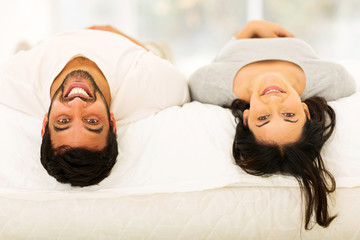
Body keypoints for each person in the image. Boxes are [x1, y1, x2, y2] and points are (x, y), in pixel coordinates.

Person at [188, 20, 356, 229]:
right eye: (288, 114)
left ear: (247, 118)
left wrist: (250, 29)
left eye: (263, 118)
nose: (274, 101)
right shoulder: (335, 80)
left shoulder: (206, 85)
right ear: (305, 111)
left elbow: (221, 59)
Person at [0, 25, 189, 187]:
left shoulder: (15, 80)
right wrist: (118, 38)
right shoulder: (150, 83)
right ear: (113, 123)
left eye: (64, 120)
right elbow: (180, 87)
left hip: (47, 46)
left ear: (45, 123)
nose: (76, 104)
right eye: (91, 120)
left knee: (26, 51)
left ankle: (28, 47)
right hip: (127, 44)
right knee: (158, 52)